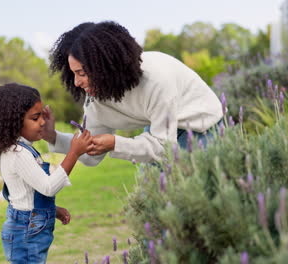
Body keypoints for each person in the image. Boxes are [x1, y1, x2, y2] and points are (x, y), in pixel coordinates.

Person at [43, 21, 223, 166]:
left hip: (202, 126)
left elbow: (165, 149)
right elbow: (90, 155)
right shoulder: (97, 96)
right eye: (73, 73)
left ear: (105, 67)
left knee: (185, 196)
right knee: (150, 197)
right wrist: (53, 136)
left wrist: (115, 143)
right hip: (160, 131)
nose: (76, 82)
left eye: (82, 73)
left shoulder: (157, 80)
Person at [0, 83, 93, 263]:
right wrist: (74, 152)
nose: (42, 122)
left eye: (42, 116)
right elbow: (48, 187)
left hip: (26, 226)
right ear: (15, 121)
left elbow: (25, 194)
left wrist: (52, 210)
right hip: (26, 230)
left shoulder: (17, 150)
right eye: (35, 118)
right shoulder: (18, 153)